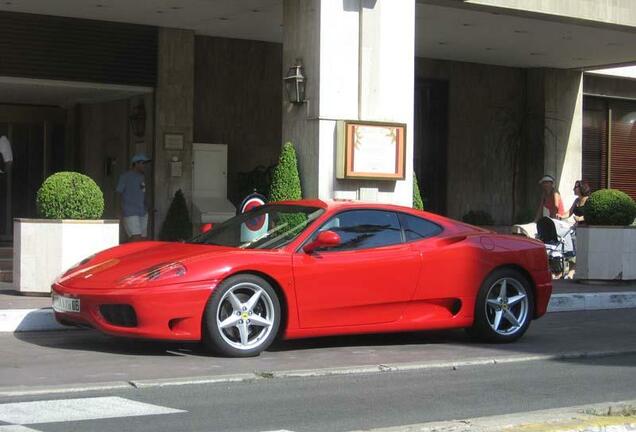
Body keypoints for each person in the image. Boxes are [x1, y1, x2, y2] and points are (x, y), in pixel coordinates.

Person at [117, 154, 151, 241]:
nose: (145, 166)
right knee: (136, 238)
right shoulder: (125, 177)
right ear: (136, 164)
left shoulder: (142, 177)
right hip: (130, 211)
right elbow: (118, 193)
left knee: (143, 239)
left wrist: (147, 206)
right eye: (143, 163)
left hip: (142, 211)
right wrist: (119, 211)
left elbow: (143, 191)